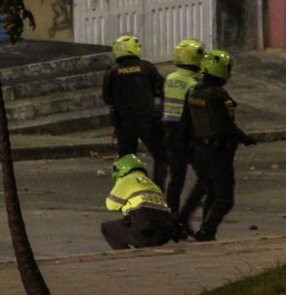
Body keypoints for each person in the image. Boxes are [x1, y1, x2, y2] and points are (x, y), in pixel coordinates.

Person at [180, 50, 255, 241]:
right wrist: (245, 138)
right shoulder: (217, 95)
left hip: (200, 150)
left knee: (212, 193)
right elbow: (225, 125)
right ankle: (206, 230)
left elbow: (185, 124)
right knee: (225, 198)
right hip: (218, 151)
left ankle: (207, 231)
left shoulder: (193, 92)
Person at [102, 34, 168, 187]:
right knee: (161, 157)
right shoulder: (147, 67)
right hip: (148, 121)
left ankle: (127, 191)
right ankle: (158, 190)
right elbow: (161, 89)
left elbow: (107, 98)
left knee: (126, 160)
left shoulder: (112, 72)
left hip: (124, 123)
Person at [162, 38, 205, 237]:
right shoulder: (193, 84)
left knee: (175, 181)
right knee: (205, 179)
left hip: (171, 134)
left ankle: (171, 222)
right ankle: (185, 217)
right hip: (188, 135)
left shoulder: (170, 79)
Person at [100, 153, 175, 250]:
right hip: (164, 233)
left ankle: (124, 257)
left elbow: (111, 205)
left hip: (144, 231)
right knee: (135, 225)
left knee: (106, 228)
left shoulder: (126, 179)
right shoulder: (151, 183)